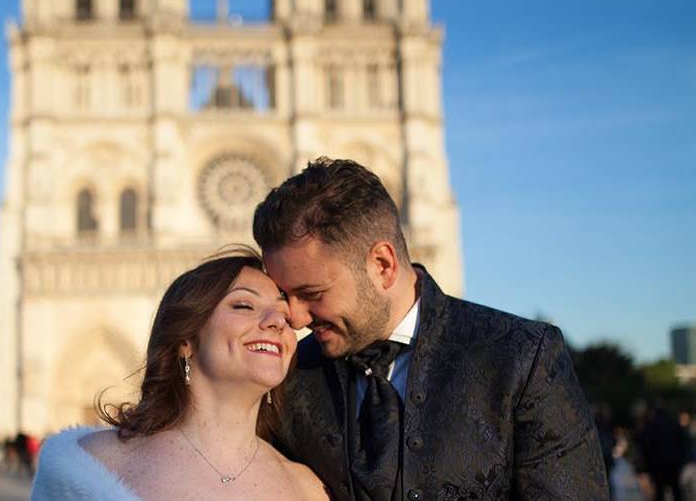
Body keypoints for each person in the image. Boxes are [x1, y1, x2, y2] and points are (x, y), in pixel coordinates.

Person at [252, 157, 610, 500]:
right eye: (286, 295)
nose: (294, 318)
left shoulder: (521, 357)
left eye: (311, 294)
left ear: (382, 264)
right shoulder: (292, 377)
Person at [31, 247, 329, 500]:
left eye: (285, 315)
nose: (278, 321)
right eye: (244, 305)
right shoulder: (83, 466)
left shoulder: (309, 488)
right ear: (185, 340)